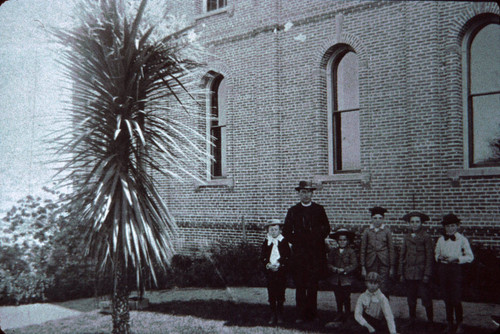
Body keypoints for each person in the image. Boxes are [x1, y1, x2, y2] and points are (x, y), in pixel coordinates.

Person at [282, 180, 331, 323]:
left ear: (312, 194)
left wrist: (316, 237)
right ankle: (300, 314)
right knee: (300, 285)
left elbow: (326, 228)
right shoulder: (293, 211)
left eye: (308, 192)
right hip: (299, 255)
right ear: (299, 194)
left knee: (313, 285)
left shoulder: (319, 209)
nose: (306, 195)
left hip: (315, 254)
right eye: (303, 192)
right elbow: (286, 231)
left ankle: (313, 314)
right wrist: (298, 240)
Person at [435, 213, 474, 334]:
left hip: (456, 270)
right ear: (444, 227)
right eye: (447, 226)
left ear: (457, 226)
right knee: (447, 298)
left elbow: (470, 257)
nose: (450, 229)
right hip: (443, 270)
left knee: (456, 298)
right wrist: (439, 257)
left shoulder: (462, 240)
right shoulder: (441, 239)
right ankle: (449, 323)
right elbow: (436, 254)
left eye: (452, 226)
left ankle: (459, 323)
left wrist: (457, 259)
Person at [398, 211, 434, 328]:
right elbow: (402, 255)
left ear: (421, 223)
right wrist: (401, 272)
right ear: (409, 224)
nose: (414, 224)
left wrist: (427, 274)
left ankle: (430, 321)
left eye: (417, 222)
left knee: (426, 297)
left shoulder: (426, 237)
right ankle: (412, 319)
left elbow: (429, 257)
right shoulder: (407, 237)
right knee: (411, 298)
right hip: (409, 273)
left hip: (421, 273)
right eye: (412, 222)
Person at [261, 218, 291, 325]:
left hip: (280, 271)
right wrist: (267, 264)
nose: (274, 232)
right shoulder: (266, 242)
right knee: (272, 293)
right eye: (271, 230)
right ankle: (273, 313)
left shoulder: (283, 241)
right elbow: (262, 256)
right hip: (270, 271)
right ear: (268, 231)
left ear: (280, 231)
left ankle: (280, 313)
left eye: (276, 229)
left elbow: (287, 256)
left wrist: (279, 263)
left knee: (280, 292)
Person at [360, 206, 395, 296]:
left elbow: (391, 249)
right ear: (371, 219)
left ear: (383, 219)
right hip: (371, 262)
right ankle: (370, 308)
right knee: (372, 283)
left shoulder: (386, 231)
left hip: (384, 262)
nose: (377, 220)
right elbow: (363, 249)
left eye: (380, 218)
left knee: (383, 285)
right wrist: (363, 266)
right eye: (375, 218)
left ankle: (384, 308)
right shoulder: (367, 231)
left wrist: (391, 266)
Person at [325, 228, 358, 325]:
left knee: (346, 297)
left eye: (344, 240)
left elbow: (354, 264)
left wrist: (345, 270)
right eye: (340, 240)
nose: (342, 242)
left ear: (347, 241)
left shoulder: (350, 252)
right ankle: (339, 313)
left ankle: (347, 314)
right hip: (336, 279)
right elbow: (329, 263)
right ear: (337, 241)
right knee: (338, 297)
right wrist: (335, 269)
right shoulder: (333, 252)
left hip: (346, 279)